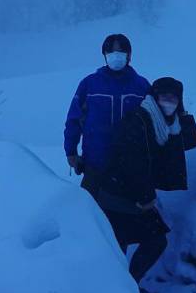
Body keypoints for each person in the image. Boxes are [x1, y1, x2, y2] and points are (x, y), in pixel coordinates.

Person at [96, 77, 196, 293]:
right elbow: (133, 163)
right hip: (117, 194)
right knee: (133, 243)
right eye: (164, 96)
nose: (169, 101)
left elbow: (191, 140)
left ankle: (125, 288)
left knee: (142, 241)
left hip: (132, 194)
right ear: (154, 96)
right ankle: (121, 292)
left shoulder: (169, 125)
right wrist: (145, 197)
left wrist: (183, 114)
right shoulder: (139, 120)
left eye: (174, 97)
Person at [64, 34, 151, 194]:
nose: (115, 56)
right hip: (95, 164)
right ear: (104, 56)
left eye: (121, 52)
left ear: (129, 55)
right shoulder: (89, 84)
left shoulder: (141, 86)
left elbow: (153, 123)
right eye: (110, 52)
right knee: (89, 213)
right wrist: (71, 151)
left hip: (132, 166)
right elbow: (74, 120)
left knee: (133, 214)